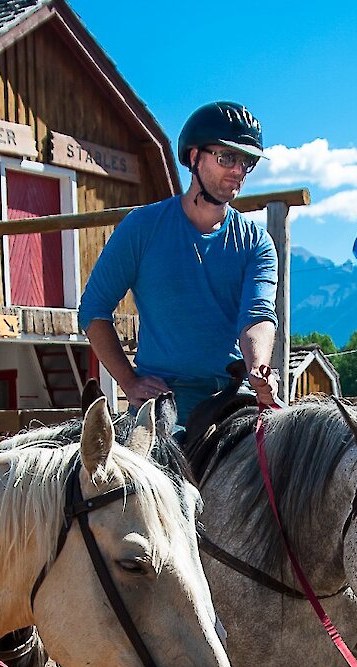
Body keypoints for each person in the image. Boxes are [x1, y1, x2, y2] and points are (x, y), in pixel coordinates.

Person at [77, 101, 280, 434]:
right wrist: (129, 381)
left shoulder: (256, 242)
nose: (238, 171)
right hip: (162, 404)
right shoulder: (141, 228)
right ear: (193, 157)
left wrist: (258, 368)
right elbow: (93, 310)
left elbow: (257, 316)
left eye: (247, 162)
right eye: (226, 157)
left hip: (232, 396)